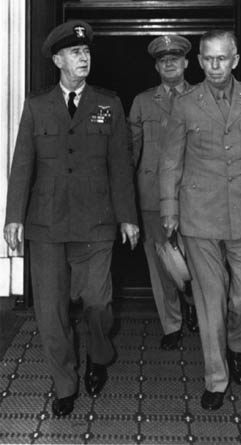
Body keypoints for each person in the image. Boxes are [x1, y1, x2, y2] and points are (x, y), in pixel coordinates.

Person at [3, 20, 139, 417]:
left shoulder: (107, 103)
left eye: (87, 52)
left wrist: (127, 217)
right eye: (76, 52)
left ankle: (99, 355)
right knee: (51, 312)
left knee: (98, 302)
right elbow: (22, 163)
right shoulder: (37, 104)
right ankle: (65, 383)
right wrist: (14, 217)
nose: (84, 57)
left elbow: (119, 165)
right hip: (45, 225)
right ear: (58, 59)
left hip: (96, 222)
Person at [160, 30, 241, 410]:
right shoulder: (185, 104)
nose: (214, 66)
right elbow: (170, 161)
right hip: (199, 217)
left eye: (222, 59)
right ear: (199, 60)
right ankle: (216, 379)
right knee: (210, 301)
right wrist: (169, 210)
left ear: (234, 59)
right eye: (208, 59)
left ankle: (239, 345)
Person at [128, 35, 198, 351]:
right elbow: (131, 151)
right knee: (161, 265)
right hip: (152, 197)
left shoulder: (201, 98)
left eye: (175, 58)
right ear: (157, 66)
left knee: (196, 261)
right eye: (163, 59)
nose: (169, 63)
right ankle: (172, 324)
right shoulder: (143, 102)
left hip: (194, 197)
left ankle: (196, 304)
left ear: (186, 63)